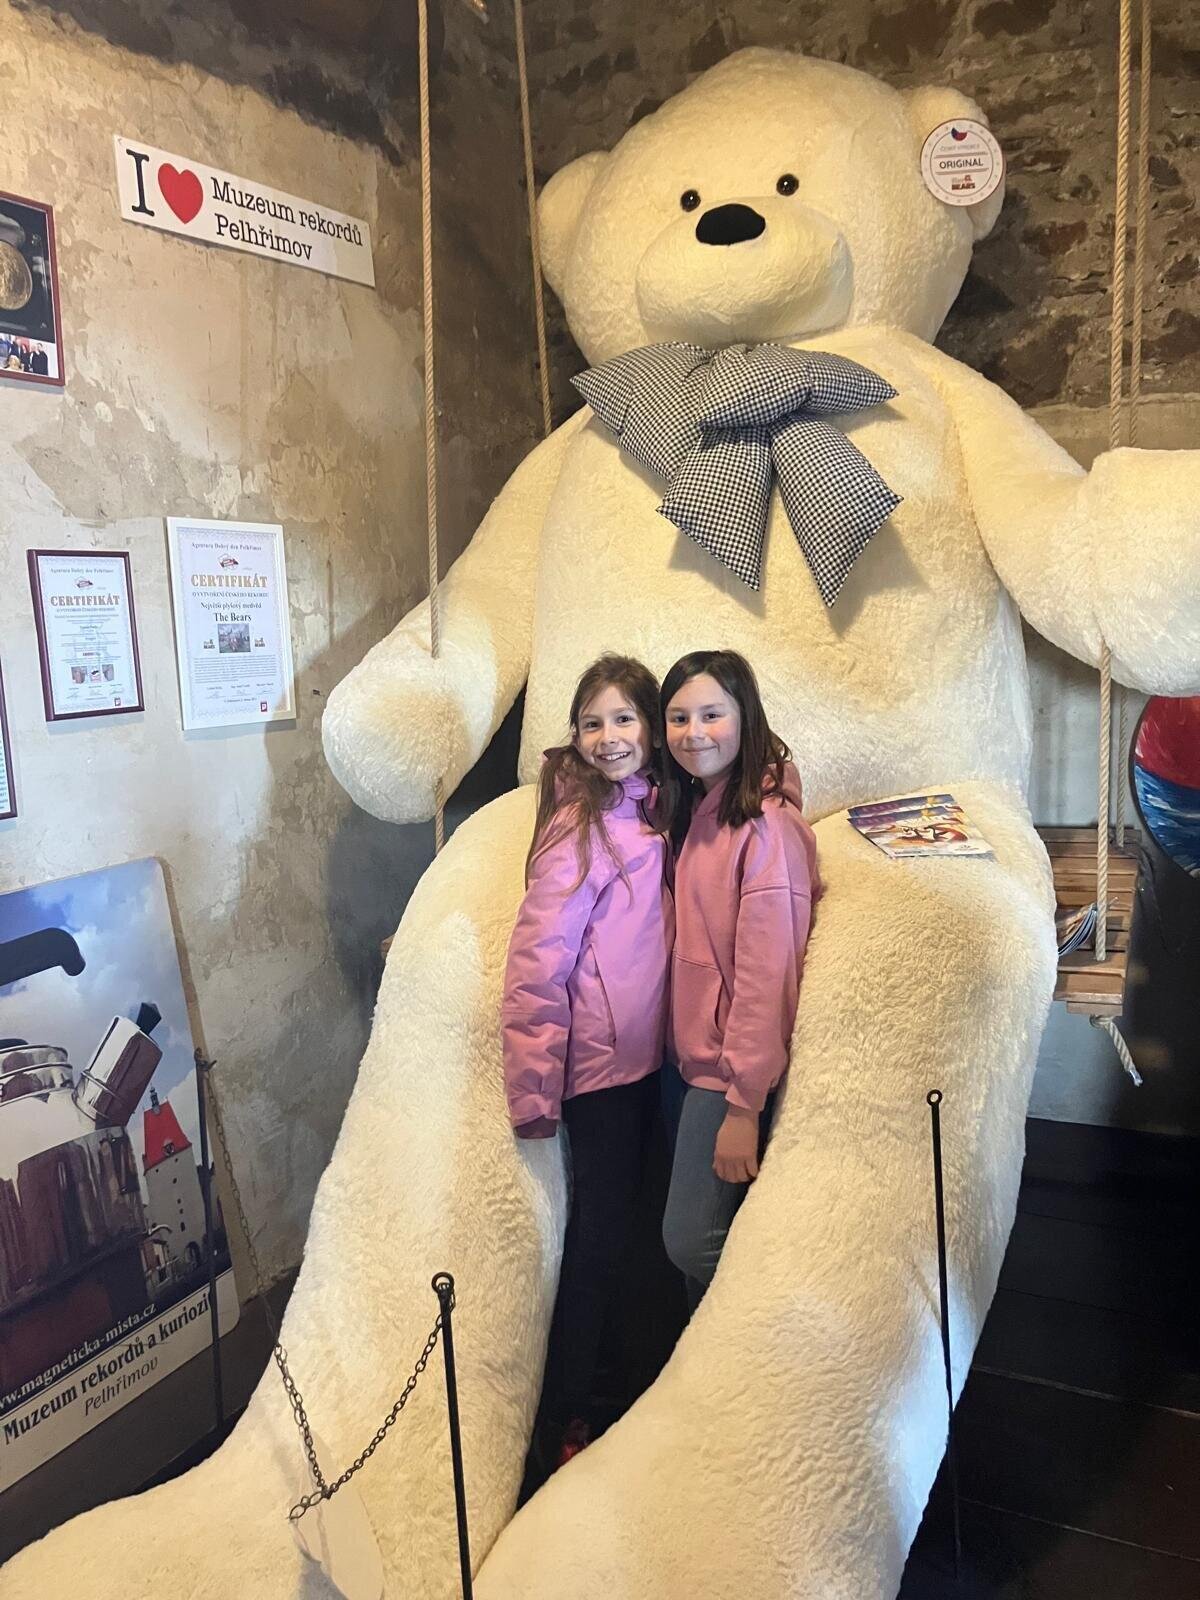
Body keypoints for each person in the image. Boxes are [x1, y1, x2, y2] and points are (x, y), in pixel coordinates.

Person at [502, 653, 673, 1479]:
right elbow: (538, 959)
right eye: (591, 722)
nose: (607, 736)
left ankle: (637, 1393)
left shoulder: (654, 810)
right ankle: (566, 1411)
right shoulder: (580, 824)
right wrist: (533, 1088)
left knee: (642, 1236)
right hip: (601, 1074)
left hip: (651, 1063)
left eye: (623, 719)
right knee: (599, 1243)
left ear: (651, 728)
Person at [659, 649, 819, 1309]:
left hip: (728, 1075)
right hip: (692, 1060)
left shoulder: (766, 829)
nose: (694, 732)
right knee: (692, 1253)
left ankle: (784, 1327)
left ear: (745, 718)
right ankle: (709, 1362)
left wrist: (743, 1107)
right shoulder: (701, 811)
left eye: (711, 715)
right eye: (678, 718)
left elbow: (766, 975)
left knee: (689, 1240)